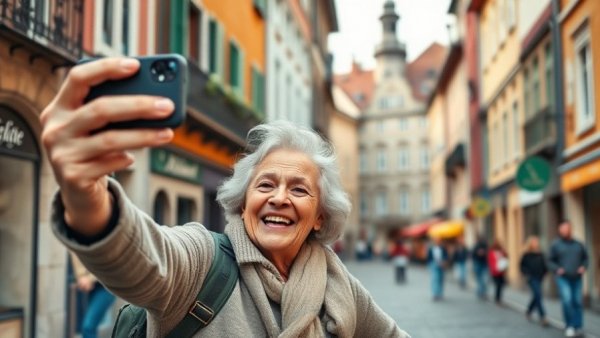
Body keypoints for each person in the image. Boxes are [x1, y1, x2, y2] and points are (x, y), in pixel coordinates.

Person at [41, 57, 409, 337]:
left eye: (298, 189)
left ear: (319, 217)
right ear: (243, 201)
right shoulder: (202, 261)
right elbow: (144, 259)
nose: (279, 198)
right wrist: (87, 195)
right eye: (265, 185)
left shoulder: (338, 283)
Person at [549, 220, 588, 337]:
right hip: (563, 278)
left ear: (570, 229)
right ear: (559, 230)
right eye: (562, 229)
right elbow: (550, 260)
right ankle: (569, 325)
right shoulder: (556, 245)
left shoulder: (578, 244)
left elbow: (586, 258)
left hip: (576, 277)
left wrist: (583, 267)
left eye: (566, 228)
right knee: (567, 300)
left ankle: (578, 326)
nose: (564, 231)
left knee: (577, 302)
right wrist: (557, 269)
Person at [70, 253, 116, 338]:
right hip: (93, 288)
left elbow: (111, 263)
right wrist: (81, 277)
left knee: (88, 327)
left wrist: (89, 279)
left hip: (108, 286)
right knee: (88, 327)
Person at [519, 236, 548, 326]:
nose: (536, 244)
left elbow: (544, 265)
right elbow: (522, 266)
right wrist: (527, 274)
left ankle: (529, 311)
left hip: (539, 277)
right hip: (531, 278)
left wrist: (544, 273)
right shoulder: (526, 254)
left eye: (537, 242)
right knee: (538, 295)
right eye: (534, 242)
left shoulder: (541, 254)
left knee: (536, 296)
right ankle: (543, 317)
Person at [427, 236, 448, 301]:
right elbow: (429, 257)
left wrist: (444, 262)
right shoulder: (431, 248)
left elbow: (446, 256)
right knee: (435, 279)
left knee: (440, 279)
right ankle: (435, 294)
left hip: (441, 265)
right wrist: (429, 265)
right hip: (434, 264)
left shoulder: (443, 248)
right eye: (436, 241)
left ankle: (440, 293)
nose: (437, 242)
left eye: (439, 241)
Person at [487, 239, 508, 304]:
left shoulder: (502, 251)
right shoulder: (491, 252)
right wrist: (492, 269)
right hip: (495, 271)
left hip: (501, 271)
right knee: (497, 284)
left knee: (501, 285)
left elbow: (506, 257)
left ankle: (499, 297)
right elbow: (490, 261)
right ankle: (497, 298)